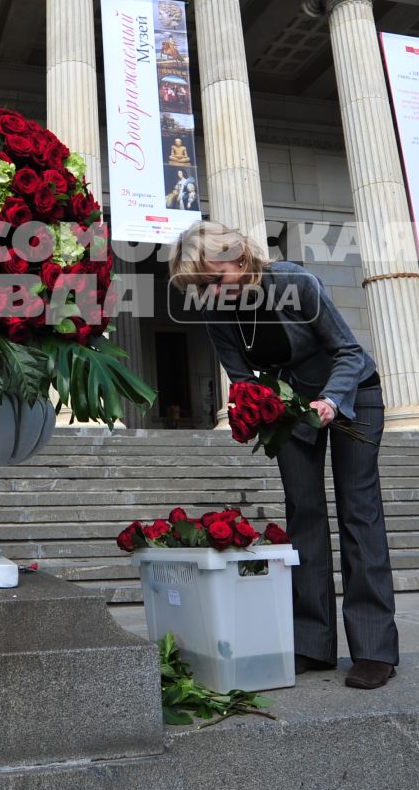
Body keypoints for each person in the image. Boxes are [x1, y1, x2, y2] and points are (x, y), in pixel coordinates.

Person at [170, 221, 397, 689]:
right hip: (291, 406)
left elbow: (350, 353)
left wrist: (331, 402)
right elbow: (243, 378)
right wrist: (253, 408)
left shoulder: (294, 282)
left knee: (359, 511)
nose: (212, 293)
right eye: (201, 288)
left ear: (237, 255)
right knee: (304, 514)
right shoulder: (217, 310)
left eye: (214, 279)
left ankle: (374, 650)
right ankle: (312, 645)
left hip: (352, 396)